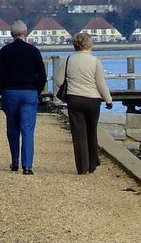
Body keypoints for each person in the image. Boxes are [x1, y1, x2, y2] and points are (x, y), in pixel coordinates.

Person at [0, 20, 47, 175]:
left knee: (12, 128)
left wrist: (2, 90)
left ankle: (15, 162)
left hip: (10, 92)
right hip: (29, 92)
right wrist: (37, 91)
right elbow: (42, 75)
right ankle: (27, 165)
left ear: (11, 34)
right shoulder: (33, 51)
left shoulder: (5, 51)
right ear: (25, 33)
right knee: (27, 129)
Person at [55, 31, 113, 175]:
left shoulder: (69, 60)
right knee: (91, 131)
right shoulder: (95, 61)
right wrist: (108, 99)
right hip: (93, 100)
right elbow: (100, 83)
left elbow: (58, 81)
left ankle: (82, 166)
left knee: (78, 133)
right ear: (89, 44)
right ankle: (93, 163)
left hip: (75, 99)